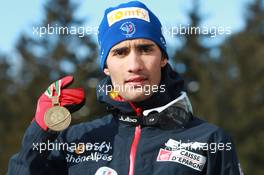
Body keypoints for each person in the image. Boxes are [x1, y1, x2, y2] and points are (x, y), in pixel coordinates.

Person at [7, 1, 243, 175]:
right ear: (106, 67)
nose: (134, 65)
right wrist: (40, 132)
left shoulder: (210, 140)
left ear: (163, 58)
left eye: (145, 49)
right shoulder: (76, 141)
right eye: (120, 52)